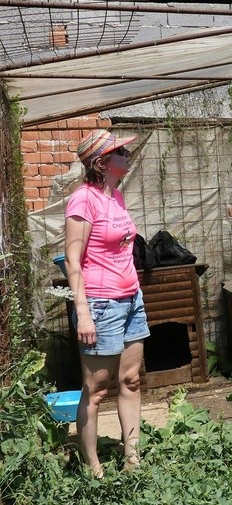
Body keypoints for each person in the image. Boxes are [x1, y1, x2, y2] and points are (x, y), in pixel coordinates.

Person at [64, 128, 149, 477]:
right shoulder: (83, 200)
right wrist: (83, 313)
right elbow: (72, 260)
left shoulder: (116, 196)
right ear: (101, 162)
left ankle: (133, 460)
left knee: (130, 381)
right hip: (100, 304)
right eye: (121, 152)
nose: (127, 156)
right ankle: (94, 468)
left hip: (130, 299)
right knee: (96, 389)